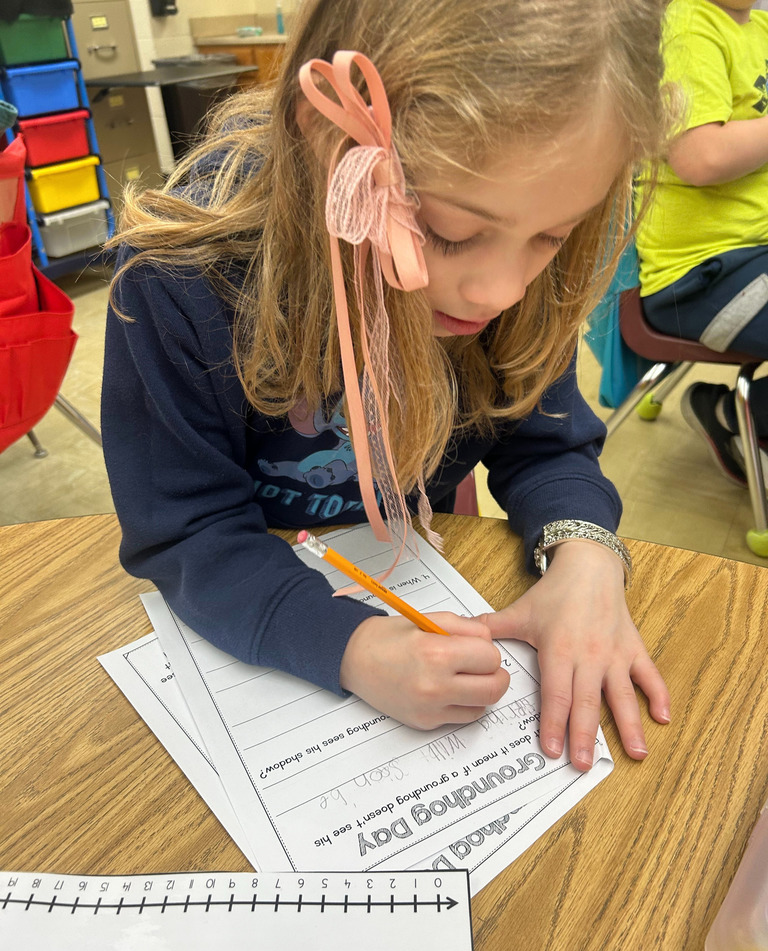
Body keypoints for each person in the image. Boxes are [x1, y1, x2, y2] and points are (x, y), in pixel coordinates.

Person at [102, 0, 672, 772]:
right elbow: (187, 531)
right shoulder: (179, 279)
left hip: (422, 546)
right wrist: (351, 646)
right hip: (255, 609)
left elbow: (545, 444)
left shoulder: (520, 231)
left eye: (553, 235)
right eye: (448, 232)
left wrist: (586, 556)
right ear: (327, 139)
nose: (501, 290)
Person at [636, 0, 768, 483]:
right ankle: (737, 417)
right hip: (700, 276)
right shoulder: (688, 23)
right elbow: (700, 156)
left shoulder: (761, 27)